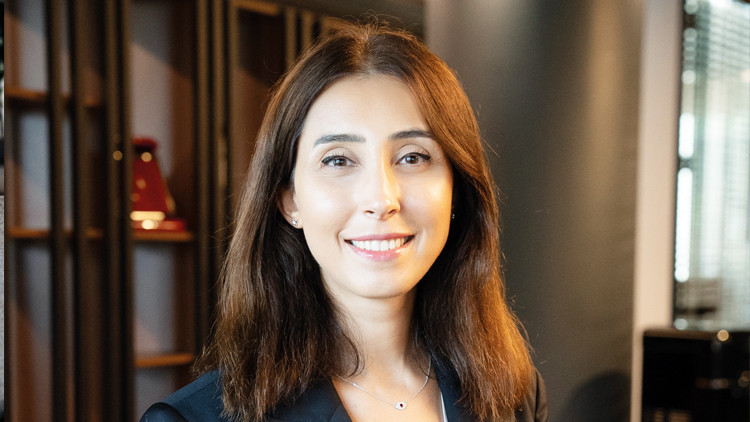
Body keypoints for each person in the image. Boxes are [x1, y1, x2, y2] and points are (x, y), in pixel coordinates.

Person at [142, 21, 547, 422]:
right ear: (289, 200)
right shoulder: (192, 419)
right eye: (338, 160)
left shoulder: (515, 394)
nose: (381, 200)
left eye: (413, 157)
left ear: (456, 188)